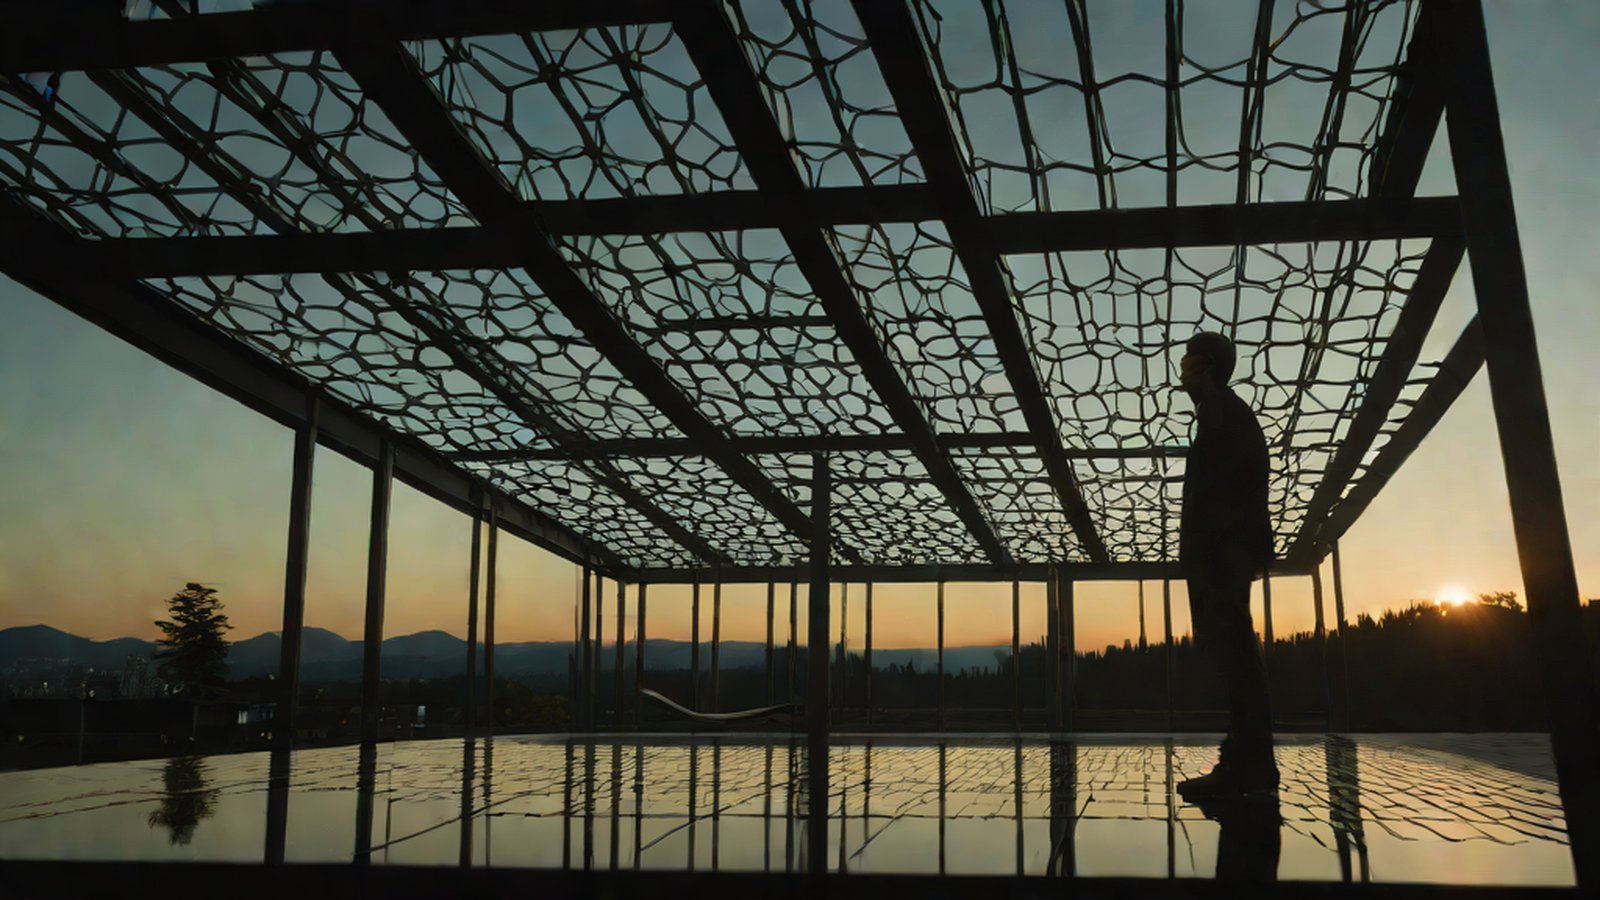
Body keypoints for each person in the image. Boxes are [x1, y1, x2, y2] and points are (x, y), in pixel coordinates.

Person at [1174, 331, 1278, 797]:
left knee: (1236, 657)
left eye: (1188, 359)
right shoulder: (1220, 416)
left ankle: (1249, 768)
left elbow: (1237, 488)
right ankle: (1243, 763)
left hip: (1222, 557)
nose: (1181, 366)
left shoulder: (1225, 415)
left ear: (1207, 366)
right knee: (1232, 657)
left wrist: (1227, 552)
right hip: (1220, 556)